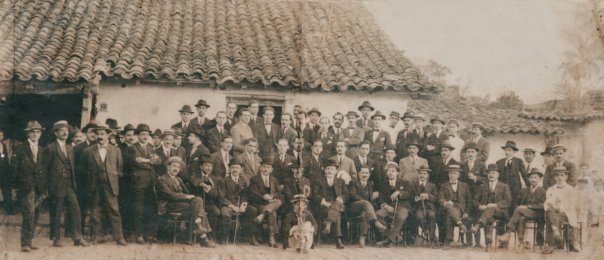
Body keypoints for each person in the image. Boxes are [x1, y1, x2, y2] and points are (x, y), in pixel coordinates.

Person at [79, 124, 127, 245]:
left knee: (114, 210)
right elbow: (82, 170)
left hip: (110, 185)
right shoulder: (88, 151)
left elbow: (120, 169)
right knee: (95, 211)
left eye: (102, 134)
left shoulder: (116, 150)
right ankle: (96, 237)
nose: (99, 136)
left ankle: (119, 238)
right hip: (94, 185)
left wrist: (112, 177)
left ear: (108, 135)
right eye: (97, 134)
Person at [43, 120, 88, 247]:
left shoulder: (70, 148)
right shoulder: (50, 148)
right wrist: (47, 187)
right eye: (61, 130)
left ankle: (78, 238)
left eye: (66, 131)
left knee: (76, 210)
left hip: (69, 184)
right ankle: (56, 239)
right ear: (56, 133)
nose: (65, 133)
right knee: (57, 211)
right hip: (56, 185)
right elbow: (45, 169)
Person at [156, 156, 216, 247]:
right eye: (174, 166)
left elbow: (187, 192)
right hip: (169, 204)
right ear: (168, 167)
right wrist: (187, 196)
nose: (176, 169)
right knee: (197, 206)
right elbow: (169, 195)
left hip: (182, 204)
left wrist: (193, 195)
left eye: (178, 167)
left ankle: (198, 230)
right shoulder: (162, 179)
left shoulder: (178, 179)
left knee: (198, 201)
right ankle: (202, 236)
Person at [12, 121, 46, 252]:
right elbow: (14, 168)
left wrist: (44, 188)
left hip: (38, 187)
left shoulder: (42, 150)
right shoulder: (20, 148)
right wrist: (16, 186)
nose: (35, 134)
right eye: (32, 132)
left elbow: (43, 169)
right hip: (26, 187)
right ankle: (24, 243)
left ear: (41, 134)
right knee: (29, 214)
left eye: (38, 132)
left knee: (36, 214)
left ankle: (30, 241)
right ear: (28, 133)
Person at [125, 123, 161, 244]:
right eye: (142, 134)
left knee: (150, 208)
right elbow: (137, 163)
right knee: (138, 209)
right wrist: (151, 161)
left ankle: (148, 234)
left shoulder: (151, 147)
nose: (145, 137)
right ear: (138, 135)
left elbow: (158, 161)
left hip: (151, 182)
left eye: (147, 134)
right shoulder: (132, 148)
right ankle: (138, 234)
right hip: (138, 183)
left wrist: (147, 160)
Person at [498, 168, 546, 253]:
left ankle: (508, 232)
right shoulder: (524, 190)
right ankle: (521, 243)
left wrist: (529, 206)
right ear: (528, 179)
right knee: (521, 218)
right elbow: (516, 202)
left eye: (535, 177)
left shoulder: (543, 191)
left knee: (520, 209)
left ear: (539, 179)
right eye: (531, 178)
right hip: (524, 213)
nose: (533, 179)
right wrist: (520, 207)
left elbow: (543, 205)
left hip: (537, 213)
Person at [471, 164, 512, 252]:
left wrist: (495, 205)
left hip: (501, 212)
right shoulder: (482, 186)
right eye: (489, 173)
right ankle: (488, 244)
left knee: (490, 209)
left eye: (493, 173)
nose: (491, 175)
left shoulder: (504, 186)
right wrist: (480, 206)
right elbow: (474, 201)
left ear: (498, 175)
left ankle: (478, 225)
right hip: (486, 214)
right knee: (489, 218)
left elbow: (508, 201)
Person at [541, 167, 581, 254]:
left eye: (562, 175)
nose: (559, 178)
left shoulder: (570, 190)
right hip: (554, 214)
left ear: (566, 176)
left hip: (567, 214)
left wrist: (558, 208)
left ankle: (551, 243)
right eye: (557, 175)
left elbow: (571, 205)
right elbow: (547, 203)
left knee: (550, 219)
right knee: (550, 212)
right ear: (554, 177)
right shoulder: (551, 189)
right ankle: (556, 231)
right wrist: (552, 206)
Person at [218, 158, 258, 245]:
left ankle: (249, 236)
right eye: (233, 167)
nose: (235, 169)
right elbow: (221, 196)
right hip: (228, 205)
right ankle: (224, 237)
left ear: (241, 169)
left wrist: (243, 205)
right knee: (225, 213)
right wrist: (232, 206)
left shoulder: (243, 181)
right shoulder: (223, 181)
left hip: (240, 205)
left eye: (237, 167)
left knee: (253, 210)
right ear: (229, 169)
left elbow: (245, 195)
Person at [311, 157, 348, 249]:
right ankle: (338, 240)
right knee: (337, 214)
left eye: (332, 169)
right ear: (324, 170)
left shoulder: (341, 181)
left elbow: (347, 194)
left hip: (337, 203)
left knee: (337, 205)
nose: (330, 171)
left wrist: (342, 198)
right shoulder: (318, 181)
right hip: (324, 206)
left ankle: (328, 224)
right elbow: (314, 195)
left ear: (336, 171)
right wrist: (323, 202)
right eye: (328, 169)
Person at [347, 165, 387, 247]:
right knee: (366, 203)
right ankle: (376, 222)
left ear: (369, 174)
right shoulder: (353, 182)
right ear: (359, 174)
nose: (364, 175)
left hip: (365, 210)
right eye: (363, 173)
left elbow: (371, 198)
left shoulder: (370, 184)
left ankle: (362, 237)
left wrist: (376, 195)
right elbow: (352, 195)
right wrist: (365, 201)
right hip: (353, 206)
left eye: (366, 173)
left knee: (365, 214)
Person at [248, 159, 283, 247]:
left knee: (279, 201)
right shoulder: (254, 179)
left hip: (271, 203)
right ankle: (271, 237)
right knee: (273, 213)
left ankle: (262, 215)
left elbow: (279, 193)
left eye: (268, 167)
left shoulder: (274, 179)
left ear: (271, 169)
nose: (266, 169)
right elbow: (253, 193)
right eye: (264, 167)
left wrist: (272, 196)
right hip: (259, 203)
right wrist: (263, 196)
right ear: (260, 168)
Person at [376, 163, 411, 248]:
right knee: (378, 215)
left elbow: (410, 194)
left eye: (393, 171)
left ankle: (389, 240)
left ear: (397, 173)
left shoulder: (404, 182)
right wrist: (385, 205)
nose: (391, 173)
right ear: (386, 172)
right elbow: (380, 198)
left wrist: (399, 193)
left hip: (402, 206)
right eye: (389, 171)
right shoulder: (382, 183)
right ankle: (389, 237)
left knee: (400, 217)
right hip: (389, 206)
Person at [281, 161, 314, 249]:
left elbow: (310, 195)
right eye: (295, 169)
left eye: (300, 169)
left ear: (302, 170)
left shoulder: (306, 180)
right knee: (287, 218)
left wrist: (306, 195)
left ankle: (309, 240)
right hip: (291, 205)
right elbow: (288, 195)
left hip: (304, 205)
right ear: (292, 170)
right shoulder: (287, 181)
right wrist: (298, 198)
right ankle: (286, 240)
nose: (297, 171)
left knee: (310, 217)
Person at [459, 143, 486, 246]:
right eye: (468, 152)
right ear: (466, 153)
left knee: (476, 216)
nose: (470, 154)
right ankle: (468, 241)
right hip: (465, 193)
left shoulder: (481, 164)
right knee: (467, 215)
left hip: (477, 194)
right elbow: (460, 179)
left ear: (477, 153)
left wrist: (475, 178)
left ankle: (478, 242)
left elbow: (485, 178)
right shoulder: (462, 165)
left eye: (472, 152)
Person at [438, 164, 471, 249]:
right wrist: (445, 202)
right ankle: (460, 224)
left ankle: (447, 241)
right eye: (451, 173)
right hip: (447, 208)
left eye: (455, 173)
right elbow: (441, 198)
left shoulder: (465, 185)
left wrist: (467, 212)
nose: (453, 175)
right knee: (449, 210)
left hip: (460, 208)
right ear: (448, 174)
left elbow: (469, 201)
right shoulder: (443, 185)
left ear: (458, 175)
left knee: (449, 215)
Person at [189, 154, 221, 241]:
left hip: (208, 203)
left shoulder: (213, 179)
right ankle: (199, 235)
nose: (209, 168)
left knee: (216, 211)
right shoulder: (195, 175)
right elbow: (194, 181)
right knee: (200, 210)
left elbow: (216, 193)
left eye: (210, 166)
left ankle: (210, 235)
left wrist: (210, 191)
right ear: (201, 166)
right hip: (196, 202)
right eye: (206, 165)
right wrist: (201, 183)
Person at [410, 165, 438, 247]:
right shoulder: (413, 184)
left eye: (424, 173)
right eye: (421, 173)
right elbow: (410, 197)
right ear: (418, 174)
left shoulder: (432, 185)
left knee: (432, 216)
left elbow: (436, 198)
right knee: (419, 216)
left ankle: (430, 237)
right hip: (418, 207)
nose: (422, 175)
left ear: (427, 175)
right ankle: (430, 236)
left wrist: (427, 196)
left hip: (429, 207)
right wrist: (415, 198)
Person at [496, 141, 528, 206]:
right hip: (503, 188)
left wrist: (530, 187)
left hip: (515, 188)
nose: (506, 152)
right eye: (505, 150)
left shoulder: (519, 161)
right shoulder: (499, 162)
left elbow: (525, 175)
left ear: (514, 152)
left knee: (514, 204)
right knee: (503, 204)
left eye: (509, 150)